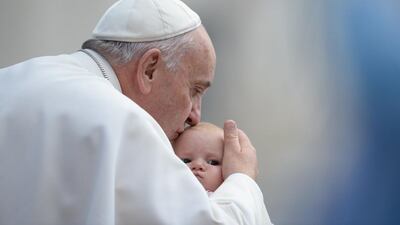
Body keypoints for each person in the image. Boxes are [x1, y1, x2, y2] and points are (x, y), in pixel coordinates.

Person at [0, 0, 273, 224]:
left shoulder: (11, 80)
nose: (195, 116)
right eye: (194, 90)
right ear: (149, 69)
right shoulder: (122, 120)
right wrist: (241, 180)